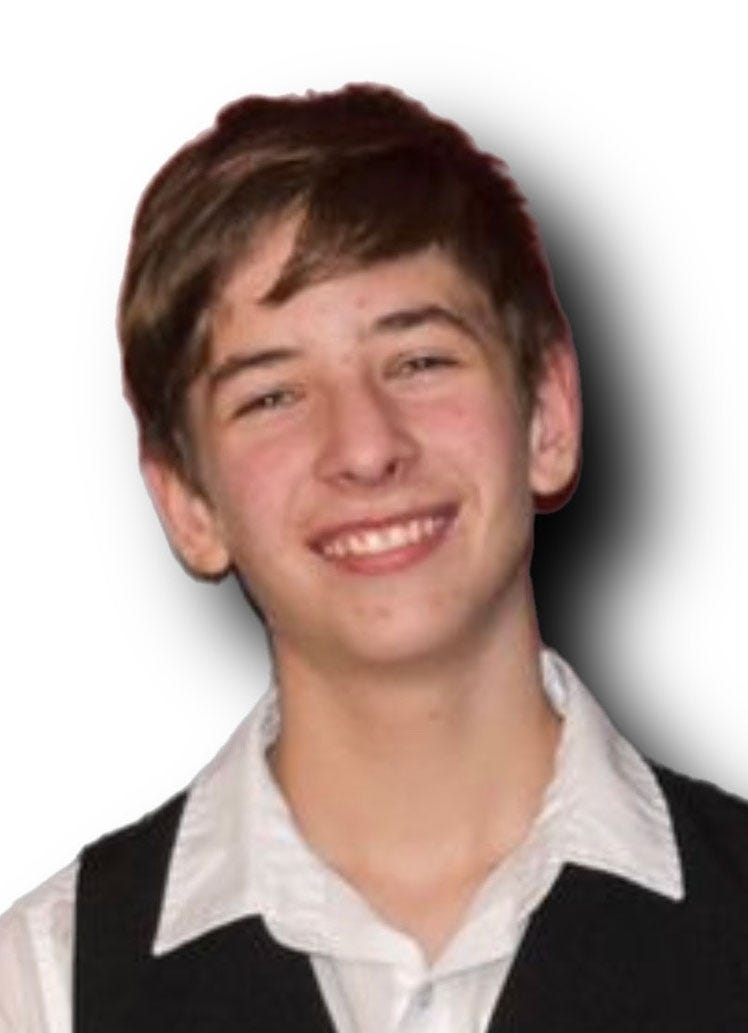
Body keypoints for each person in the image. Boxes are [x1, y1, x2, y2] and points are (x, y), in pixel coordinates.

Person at [2, 84, 748, 1033]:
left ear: (548, 414)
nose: (365, 446)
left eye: (420, 360)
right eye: (271, 395)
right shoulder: (43, 985)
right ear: (189, 502)